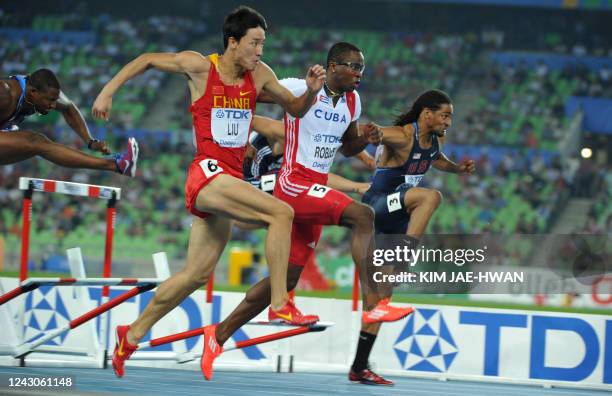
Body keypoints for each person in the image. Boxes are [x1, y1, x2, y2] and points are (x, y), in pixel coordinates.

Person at [91, 6, 325, 378]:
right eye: (254, 43)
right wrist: (107, 92)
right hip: (207, 173)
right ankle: (280, 303)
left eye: (264, 43)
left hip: (229, 178)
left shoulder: (261, 75)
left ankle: (130, 336)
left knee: (196, 274)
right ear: (233, 42)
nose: (261, 51)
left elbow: (294, 108)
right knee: (281, 213)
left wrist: (311, 92)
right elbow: (147, 60)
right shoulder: (200, 66)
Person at [201, 42, 414, 381]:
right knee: (362, 216)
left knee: (285, 280)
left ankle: (217, 335)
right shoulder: (301, 86)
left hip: (314, 188)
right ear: (332, 66)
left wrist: (366, 139)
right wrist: (221, 106)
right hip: (293, 182)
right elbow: (251, 91)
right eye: (353, 66)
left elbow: (347, 148)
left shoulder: (352, 101)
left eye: (362, 68)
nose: (359, 74)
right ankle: (376, 303)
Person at [355, 89, 475, 385]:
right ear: (427, 114)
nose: (449, 121)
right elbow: (381, 134)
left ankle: (358, 366)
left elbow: (436, 160)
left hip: (396, 218)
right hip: (376, 207)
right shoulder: (403, 136)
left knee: (380, 299)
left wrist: (457, 169)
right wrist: (373, 135)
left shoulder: (436, 139)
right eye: (445, 115)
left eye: (451, 116)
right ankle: (407, 253)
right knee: (431, 196)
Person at [0, 68, 138, 176]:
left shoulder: (38, 89)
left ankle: (119, 165)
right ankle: (116, 165)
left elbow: (68, 108)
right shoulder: (5, 95)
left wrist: (90, 142)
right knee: (36, 141)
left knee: (37, 145)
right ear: (33, 92)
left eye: (54, 100)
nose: (53, 105)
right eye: (50, 100)